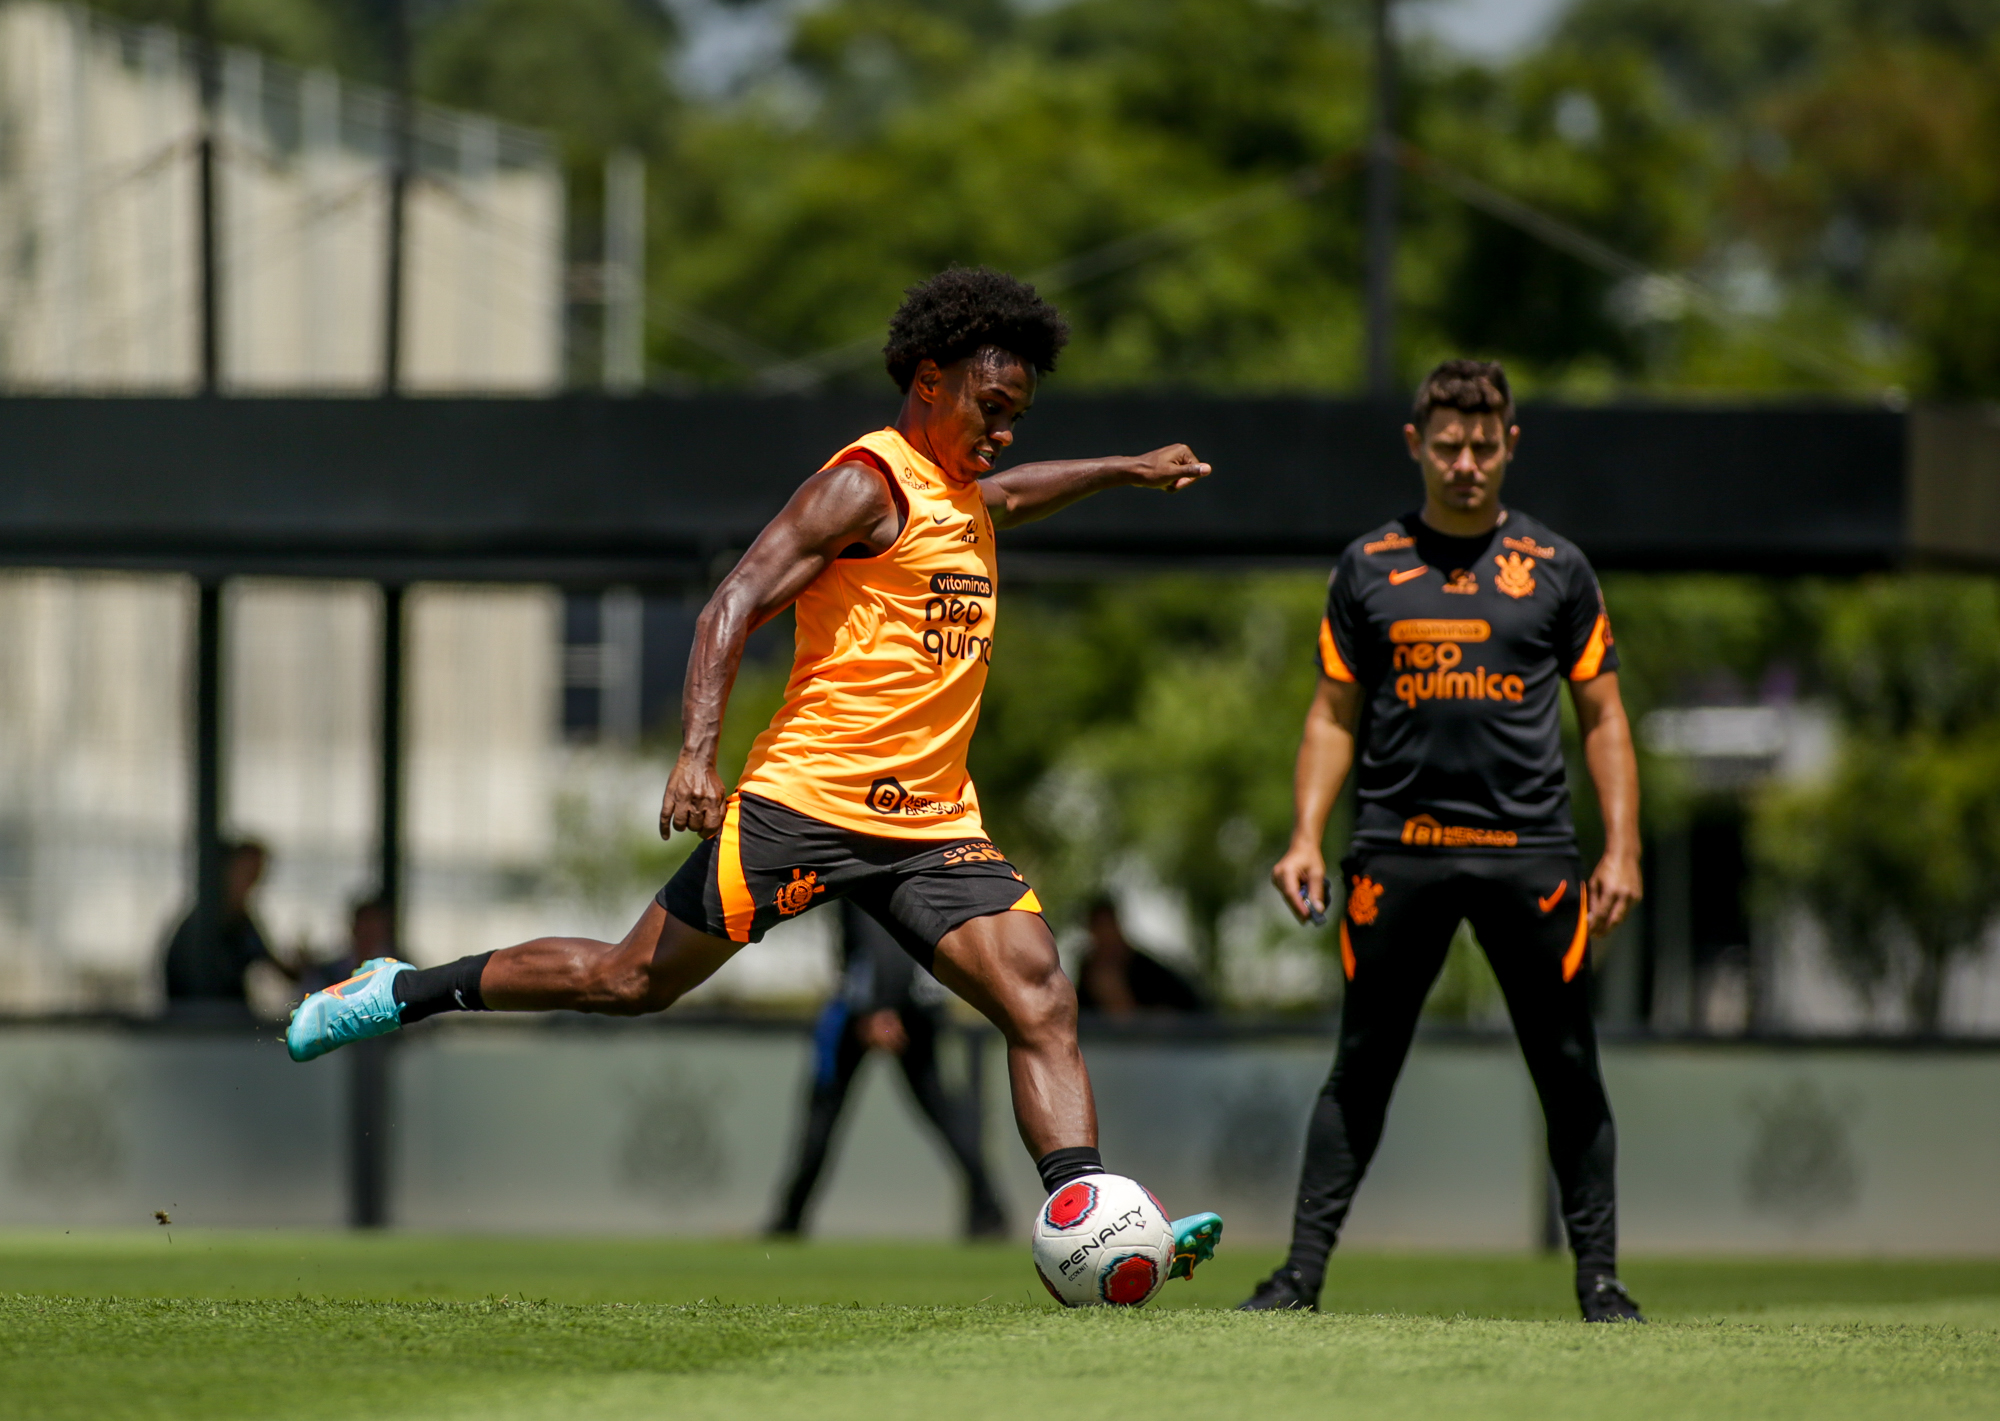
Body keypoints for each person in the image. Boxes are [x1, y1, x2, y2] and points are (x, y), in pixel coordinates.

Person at [284, 267, 1223, 1279]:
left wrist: (1123, 469)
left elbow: (1006, 496)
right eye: (991, 408)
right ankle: (402, 990)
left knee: (1039, 996)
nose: (1002, 432)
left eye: (1017, 416)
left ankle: (1090, 1217)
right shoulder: (862, 482)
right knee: (627, 978)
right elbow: (729, 603)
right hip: (804, 804)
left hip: (930, 824)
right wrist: (697, 752)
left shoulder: (958, 492)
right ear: (928, 378)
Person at [1242, 359, 1645, 1322]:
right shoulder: (1368, 566)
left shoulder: (1558, 568)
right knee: (1363, 1066)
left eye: (1485, 444)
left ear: (1511, 446)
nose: (1468, 463)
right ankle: (1298, 1278)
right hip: (1395, 850)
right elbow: (1332, 713)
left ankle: (1599, 1281)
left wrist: (1621, 847)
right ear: (1416, 445)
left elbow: (1605, 719)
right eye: (1450, 445)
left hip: (1531, 855)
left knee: (1568, 1065)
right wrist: (1304, 834)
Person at [768, 899, 1007, 1239]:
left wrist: (879, 1009)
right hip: (918, 1001)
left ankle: (789, 1218)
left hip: (878, 1006)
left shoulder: (860, 856)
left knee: (824, 1110)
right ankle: (990, 1211)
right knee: (943, 1109)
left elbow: (877, 934)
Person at [162, 839, 285, 1007]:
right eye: (246, 873)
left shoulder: (242, 922)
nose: (251, 884)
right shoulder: (201, 925)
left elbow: (273, 965)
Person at [1075, 898, 1204, 1017]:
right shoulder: (1088, 972)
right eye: (1098, 928)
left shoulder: (1150, 973)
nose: (1105, 936)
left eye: (1107, 927)